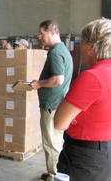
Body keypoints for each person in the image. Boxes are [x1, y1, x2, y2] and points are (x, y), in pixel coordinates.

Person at [54, 18, 111, 181]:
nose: (80, 47)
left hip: (84, 156)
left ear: (92, 47)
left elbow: (59, 122)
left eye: (82, 42)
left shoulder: (92, 77)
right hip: (105, 149)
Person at [30, 20, 73, 181]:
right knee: (55, 139)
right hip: (57, 103)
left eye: (42, 33)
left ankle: (55, 175)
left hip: (51, 105)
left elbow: (58, 79)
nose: (40, 37)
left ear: (52, 32)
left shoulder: (55, 52)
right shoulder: (63, 50)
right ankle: (53, 172)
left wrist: (38, 84)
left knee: (51, 142)